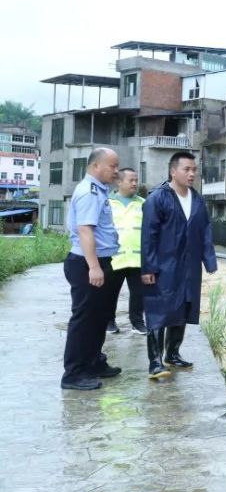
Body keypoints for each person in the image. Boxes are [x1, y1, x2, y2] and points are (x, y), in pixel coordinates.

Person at [141, 151, 217, 379]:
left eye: (194, 169)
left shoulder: (197, 199)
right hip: (164, 266)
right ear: (173, 171)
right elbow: (148, 236)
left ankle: (172, 353)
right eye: (187, 169)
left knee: (183, 307)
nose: (192, 173)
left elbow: (205, 230)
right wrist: (148, 268)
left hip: (189, 266)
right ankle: (155, 362)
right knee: (158, 310)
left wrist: (209, 260)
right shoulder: (158, 198)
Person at [61, 148, 121, 391]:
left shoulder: (99, 190)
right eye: (112, 166)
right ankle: (74, 374)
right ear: (96, 166)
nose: (116, 171)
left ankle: (93, 361)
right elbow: (85, 230)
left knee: (99, 318)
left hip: (100, 262)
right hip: (87, 263)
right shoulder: (89, 191)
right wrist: (94, 267)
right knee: (84, 320)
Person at [106, 168, 146, 335]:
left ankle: (137, 323)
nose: (135, 183)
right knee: (110, 293)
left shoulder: (143, 203)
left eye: (136, 180)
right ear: (119, 182)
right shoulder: (107, 202)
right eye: (131, 180)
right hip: (115, 258)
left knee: (138, 294)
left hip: (137, 259)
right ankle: (108, 322)